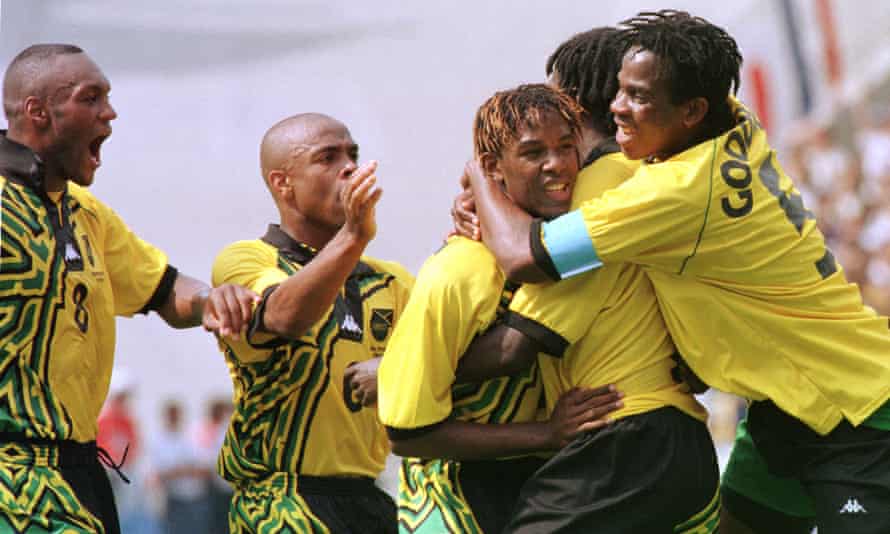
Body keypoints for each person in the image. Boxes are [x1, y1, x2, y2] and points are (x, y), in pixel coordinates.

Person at [464, 10, 890, 534]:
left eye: (639, 97)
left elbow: (523, 259)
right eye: (618, 91)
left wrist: (482, 173)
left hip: (858, 409)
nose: (620, 108)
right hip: (785, 403)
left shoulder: (668, 193)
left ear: (690, 110)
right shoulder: (730, 119)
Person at [451, 31, 717, 534]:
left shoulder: (600, 188)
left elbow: (513, 344)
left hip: (629, 438)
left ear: (569, 104)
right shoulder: (645, 175)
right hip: (666, 439)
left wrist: (405, 370)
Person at [0, 44, 257, 534]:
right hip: (11, 482)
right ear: (38, 112)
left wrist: (212, 299)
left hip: (80, 479)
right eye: (91, 98)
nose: (109, 112)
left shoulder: (87, 214)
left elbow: (164, 292)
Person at [377, 83, 626, 534]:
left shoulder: (571, 249)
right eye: (533, 153)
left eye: (567, 148)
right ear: (493, 168)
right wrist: (546, 434)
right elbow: (407, 434)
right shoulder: (458, 271)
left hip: (541, 487)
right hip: (452, 502)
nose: (557, 165)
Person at [211, 113, 413, 533]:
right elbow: (287, 316)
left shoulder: (391, 280)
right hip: (282, 501)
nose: (350, 167)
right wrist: (354, 235)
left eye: (353, 155)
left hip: (369, 499)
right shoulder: (247, 259)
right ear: (283, 183)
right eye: (328, 157)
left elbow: (449, 355)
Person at [148, 400, 212, 534]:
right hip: (174, 499)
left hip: (196, 497)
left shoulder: (190, 437)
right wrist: (184, 470)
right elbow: (157, 475)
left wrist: (180, 471)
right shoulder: (158, 441)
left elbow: (205, 469)